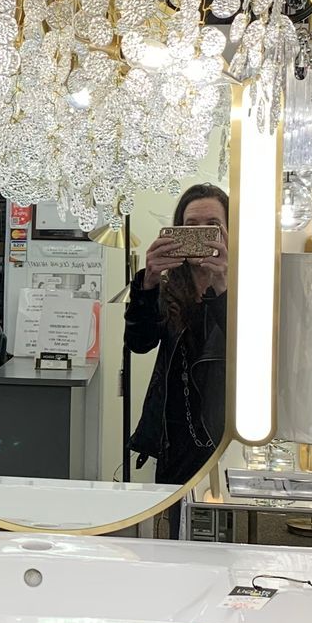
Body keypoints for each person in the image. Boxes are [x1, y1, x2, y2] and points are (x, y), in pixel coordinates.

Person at [126, 183, 229, 489]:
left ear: (229, 232)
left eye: (213, 226)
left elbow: (252, 354)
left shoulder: (245, 285)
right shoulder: (168, 286)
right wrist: (148, 283)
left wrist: (223, 284)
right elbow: (140, 343)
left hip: (226, 432)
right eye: (190, 226)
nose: (200, 233)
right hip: (175, 436)